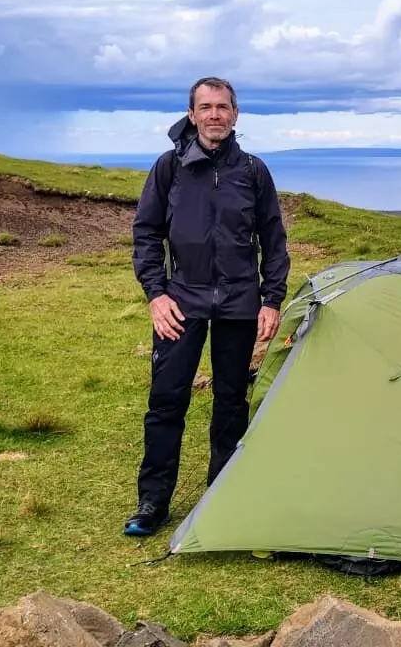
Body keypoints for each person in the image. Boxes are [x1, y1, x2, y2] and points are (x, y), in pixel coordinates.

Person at [123, 76, 291, 537]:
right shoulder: (169, 168)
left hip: (240, 303)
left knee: (231, 403)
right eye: (206, 107)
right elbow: (146, 235)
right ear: (192, 114)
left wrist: (271, 299)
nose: (215, 114)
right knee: (166, 402)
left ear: (235, 114)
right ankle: (152, 502)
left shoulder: (253, 171)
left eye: (223, 106)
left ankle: (222, 497)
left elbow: (274, 242)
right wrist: (156, 295)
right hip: (182, 302)